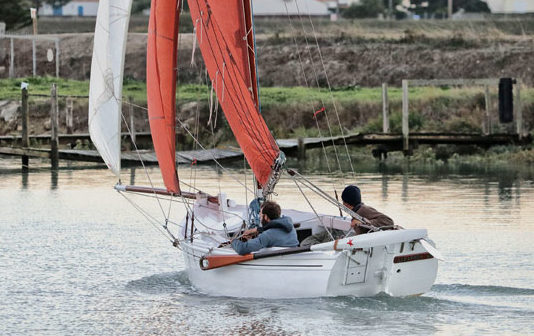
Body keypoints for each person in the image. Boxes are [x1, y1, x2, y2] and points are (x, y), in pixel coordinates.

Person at [300, 185, 394, 247]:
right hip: (356, 241)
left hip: (360, 244)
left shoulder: (363, 210)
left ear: (346, 203)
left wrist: (362, 222)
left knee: (306, 243)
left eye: (343, 202)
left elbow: (388, 221)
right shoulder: (356, 211)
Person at [231, 201, 299, 255]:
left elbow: (242, 249)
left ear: (265, 217)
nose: (259, 217)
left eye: (260, 214)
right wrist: (258, 230)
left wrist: (234, 241)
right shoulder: (290, 227)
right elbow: (275, 227)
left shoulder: (267, 235)